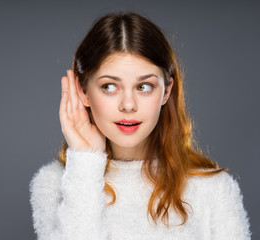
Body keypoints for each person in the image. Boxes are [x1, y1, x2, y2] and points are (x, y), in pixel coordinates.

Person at [29, 11, 251, 240]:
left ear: (166, 91)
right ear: (84, 92)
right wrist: (86, 160)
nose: (128, 105)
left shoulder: (214, 188)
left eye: (144, 87)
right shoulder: (54, 184)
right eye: (109, 86)